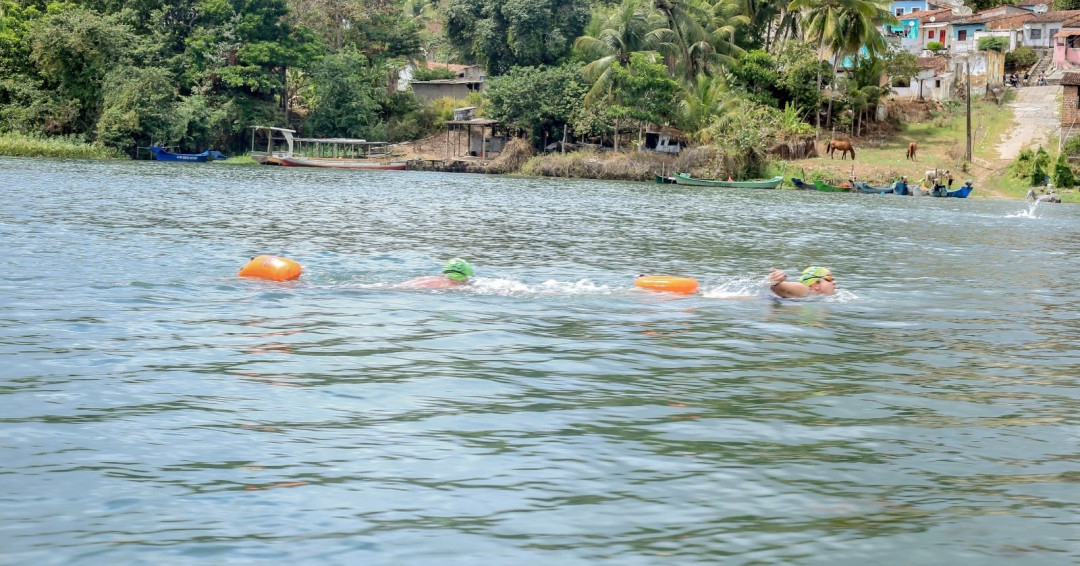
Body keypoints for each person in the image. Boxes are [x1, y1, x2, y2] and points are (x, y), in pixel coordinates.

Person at [400, 258, 474, 288]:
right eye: (467, 277)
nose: (467, 279)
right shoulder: (450, 285)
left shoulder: (432, 278)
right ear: (463, 276)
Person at [768, 266, 837, 298]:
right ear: (816, 285)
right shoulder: (806, 290)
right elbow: (775, 286)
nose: (834, 282)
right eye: (829, 278)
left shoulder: (815, 296)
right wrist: (778, 277)